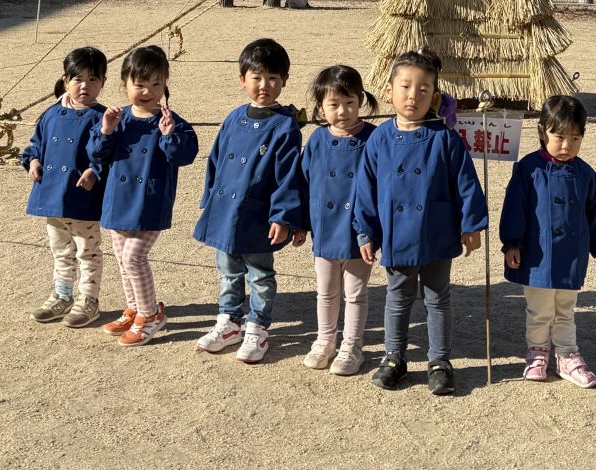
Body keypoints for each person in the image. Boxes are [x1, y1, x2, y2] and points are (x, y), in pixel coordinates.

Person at [354, 48, 488, 396]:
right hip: (397, 236)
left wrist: (471, 224)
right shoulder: (379, 139)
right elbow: (365, 189)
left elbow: (466, 183)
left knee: (437, 297)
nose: (413, 95)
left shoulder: (445, 138)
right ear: (389, 90)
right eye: (405, 87)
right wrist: (365, 230)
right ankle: (394, 357)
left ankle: (440, 361)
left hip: (436, 232)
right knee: (397, 298)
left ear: (435, 95)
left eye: (424, 89)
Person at [193, 37, 303, 364]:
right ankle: (229, 321)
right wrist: (209, 198)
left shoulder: (285, 126)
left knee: (259, 272)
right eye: (256, 77)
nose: (264, 85)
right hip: (225, 210)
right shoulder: (233, 118)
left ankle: (257, 326)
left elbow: (288, 175)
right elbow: (215, 160)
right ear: (243, 80)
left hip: (259, 214)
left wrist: (283, 216)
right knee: (227, 268)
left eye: (272, 78)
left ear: (284, 81)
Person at [500, 95, 596, 387]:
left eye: (575, 138)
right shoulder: (528, 169)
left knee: (565, 308)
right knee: (540, 310)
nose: (567, 146)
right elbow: (515, 208)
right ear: (542, 131)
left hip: (571, 255)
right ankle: (537, 353)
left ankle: (567, 355)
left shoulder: (586, 174)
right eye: (559, 136)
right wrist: (512, 243)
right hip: (536, 255)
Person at [91, 44, 198, 346]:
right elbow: (97, 155)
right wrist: (106, 131)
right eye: (140, 84)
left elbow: (184, 155)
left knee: (134, 257)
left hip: (149, 203)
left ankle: (150, 315)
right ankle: (135, 307)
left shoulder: (171, 121)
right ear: (124, 84)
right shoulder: (116, 118)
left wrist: (169, 136)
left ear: (165, 85)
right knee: (122, 259)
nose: (148, 91)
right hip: (118, 201)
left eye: (156, 84)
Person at [294, 64, 378, 376]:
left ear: (361, 101)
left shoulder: (374, 137)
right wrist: (301, 222)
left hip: (360, 232)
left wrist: (372, 231)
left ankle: (352, 345)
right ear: (320, 107)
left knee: (356, 293)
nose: (342, 110)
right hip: (325, 230)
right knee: (326, 291)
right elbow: (304, 183)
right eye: (333, 104)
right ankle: (324, 340)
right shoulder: (316, 140)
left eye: (349, 102)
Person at [20, 46, 109, 329]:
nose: (85, 86)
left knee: (88, 251)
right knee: (60, 251)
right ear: (65, 79)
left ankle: (89, 300)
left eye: (93, 79)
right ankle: (62, 295)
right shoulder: (50, 114)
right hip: (51, 196)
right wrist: (32, 161)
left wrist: (95, 171)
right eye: (78, 79)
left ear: (103, 82)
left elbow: (109, 155)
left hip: (83, 198)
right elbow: (35, 144)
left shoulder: (103, 118)